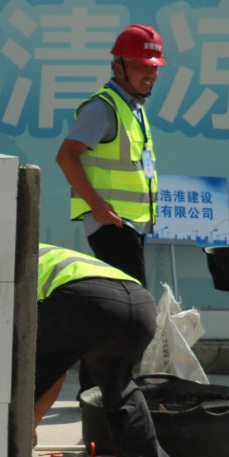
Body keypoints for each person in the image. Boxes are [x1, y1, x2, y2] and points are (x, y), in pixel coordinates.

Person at [34, 244, 175, 457]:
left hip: (86, 301)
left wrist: (29, 421)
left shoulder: (4, 258)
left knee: (24, 368)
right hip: (139, 304)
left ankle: (5, 454)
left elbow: (49, 371)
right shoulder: (42, 250)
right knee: (120, 387)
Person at [56, 24, 165, 287]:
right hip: (112, 223)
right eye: (141, 66)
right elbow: (66, 156)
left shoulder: (134, 107)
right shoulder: (102, 108)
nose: (150, 74)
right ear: (118, 68)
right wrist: (97, 205)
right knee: (132, 300)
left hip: (132, 224)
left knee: (125, 300)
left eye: (154, 67)